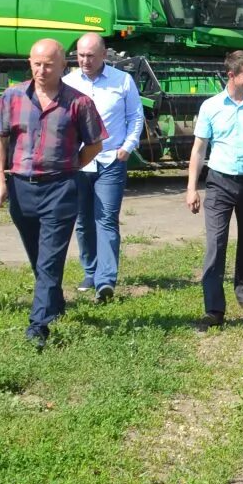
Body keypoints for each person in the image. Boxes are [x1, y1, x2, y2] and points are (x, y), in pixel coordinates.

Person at [0, 39, 105, 349]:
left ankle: (38, 325)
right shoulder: (12, 96)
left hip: (60, 188)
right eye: (37, 63)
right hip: (21, 187)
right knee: (38, 257)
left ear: (62, 65)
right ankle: (54, 303)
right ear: (29, 62)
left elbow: (95, 144)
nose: (42, 70)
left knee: (50, 260)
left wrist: (71, 166)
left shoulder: (79, 103)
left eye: (49, 64)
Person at [185, 50, 243, 329]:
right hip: (219, 182)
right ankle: (214, 309)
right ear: (231, 76)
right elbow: (199, 150)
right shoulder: (211, 107)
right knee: (216, 244)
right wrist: (191, 188)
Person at [63, 33, 145, 303]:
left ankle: (106, 280)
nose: (84, 60)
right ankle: (90, 270)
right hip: (79, 163)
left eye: (90, 56)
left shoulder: (122, 81)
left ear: (104, 55)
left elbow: (135, 116)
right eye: (80, 55)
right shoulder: (68, 82)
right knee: (83, 221)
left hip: (111, 160)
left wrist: (128, 147)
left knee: (106, 219)